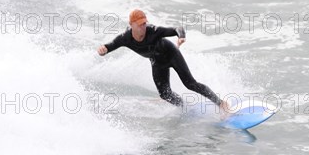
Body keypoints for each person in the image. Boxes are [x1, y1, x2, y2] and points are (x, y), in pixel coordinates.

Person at [98, 9, 230, 116]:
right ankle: (185, 107)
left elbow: (177, 28)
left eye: (144, 23)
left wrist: (181, 36)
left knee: (190, 84)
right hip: (157, 62)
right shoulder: (125, 38)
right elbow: (109, 46)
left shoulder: (154, 31)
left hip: (172, 55)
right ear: (131, 24)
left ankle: (221, 103)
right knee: (165, 94)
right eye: (140, 24)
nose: (143, 27)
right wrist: (103, 50)